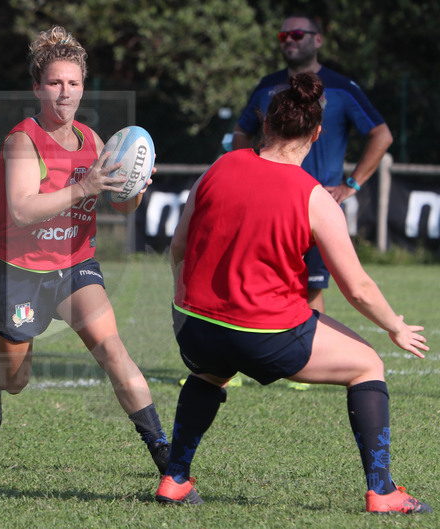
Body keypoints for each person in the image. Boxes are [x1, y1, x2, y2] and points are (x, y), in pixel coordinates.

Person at [155, 72, 431, 514]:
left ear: (265, 126)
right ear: (316, 133)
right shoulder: (314, 197)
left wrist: (182, 303)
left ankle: (175, 478)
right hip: (266, 337)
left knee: (210, 372)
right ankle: (382, 491)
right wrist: (395, 327)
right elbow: (357, 288)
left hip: (199, 329)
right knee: (369, 365)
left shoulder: (217, 168)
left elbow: (178, 247)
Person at [0, 26, 169, 474]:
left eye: (73, 83)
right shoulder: (23, 140)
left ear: (83, 87)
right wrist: (84, 187)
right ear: (37, 88)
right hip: (18, 271)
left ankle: (165, 455)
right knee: (16, 379)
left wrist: (136, 186)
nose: (65, 92)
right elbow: (22, 210)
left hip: (75, 264)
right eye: (55, 83)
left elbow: (123, 206)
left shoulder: (93, 141)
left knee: (113, 350)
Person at [232, 14, 393, 314]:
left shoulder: (342, 88)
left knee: (308, 291)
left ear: (317, 40)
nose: (289, 40)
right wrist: (247, 173)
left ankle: (308, 343)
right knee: (258, 282)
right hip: (268, 203)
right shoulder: (267, 86)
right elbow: (241, 131)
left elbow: (381, 135)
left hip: (313, 207)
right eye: (283, 36)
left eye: (296, 34)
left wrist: (351, 184)